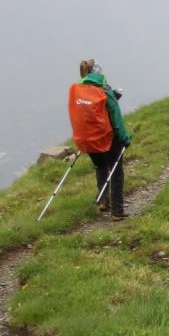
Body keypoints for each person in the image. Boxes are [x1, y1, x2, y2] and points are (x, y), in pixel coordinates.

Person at [67, 59, 132, 218]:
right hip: (107, 139)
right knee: (116, 171)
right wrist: (125, 139)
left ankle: (103, 200)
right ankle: (117, 211)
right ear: (98, 73)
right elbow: (116, 119)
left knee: (101, 167)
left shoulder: (77, 91)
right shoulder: (105, 91)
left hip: (87, 140)